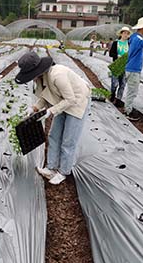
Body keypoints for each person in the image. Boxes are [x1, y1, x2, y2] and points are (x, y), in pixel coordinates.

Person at [15, 52, 91, 185]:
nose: (31, 79)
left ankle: (63, 171)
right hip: (62, 103)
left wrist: (50, 111)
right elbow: (45, 96)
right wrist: (34, 108)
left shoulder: (57, 75)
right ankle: (51, 168)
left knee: (68, 140)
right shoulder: (41, 79)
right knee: (54, 135)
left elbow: (70, 99)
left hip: (77, 102)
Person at [108, 27, 131, 107]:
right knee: (115, 83)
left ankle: (118, 100)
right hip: (117, 65)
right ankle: (112, 94)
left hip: (126, 66)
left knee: (123, 84)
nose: (125, 34)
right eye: (124, 33)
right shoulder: (116, 43)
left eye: (127, 33)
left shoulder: (129, 43)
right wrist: (117, 55)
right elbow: (111, 54)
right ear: (121, 34)